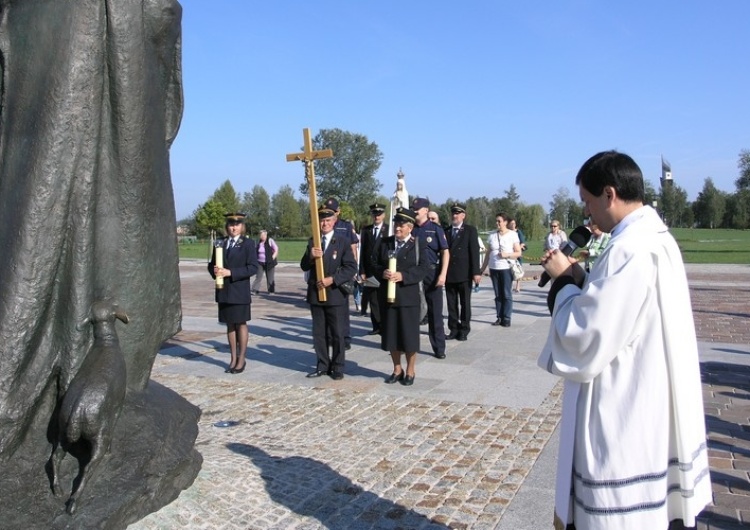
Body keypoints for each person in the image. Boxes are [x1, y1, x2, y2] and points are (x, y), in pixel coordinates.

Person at [538, 151, 711, 529]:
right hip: (651, 390)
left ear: (609, 194)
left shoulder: (628, 248)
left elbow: (585, 336)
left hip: (626, 407)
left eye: (587, 202)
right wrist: (583, 279)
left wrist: (564, 281)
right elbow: (620, 307)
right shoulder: (653, 236)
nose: (587, 215)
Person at [300, 203, 358, 380]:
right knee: (319, 333)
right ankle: (322, 365)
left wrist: (332, 279)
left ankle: (338, 366)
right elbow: (304, 265)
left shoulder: (342, 241)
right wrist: (310, 256)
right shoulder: (313, 241)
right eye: (322, 221)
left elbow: (351, 267)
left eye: (328, 220)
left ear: (334, 222)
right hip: (316, 293)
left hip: (334, 293)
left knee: (337, 332)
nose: (324, 224)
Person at [372, 208, 430, 385]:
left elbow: (423, 268)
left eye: (402, 225)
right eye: (396, 224)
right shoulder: (384, 242)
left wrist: (403, 276)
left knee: (409, 336)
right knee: (391, 335)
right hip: (388, 297)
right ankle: (397, 368)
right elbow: (373, 262)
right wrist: (382, 272)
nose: (397, 228)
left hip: (408, 297)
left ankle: (410, 370)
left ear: (410, 227)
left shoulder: (418, 244)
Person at [208, 213, 259, 374]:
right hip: (224, 291)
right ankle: (233, 358)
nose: (233, 227)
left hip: (239, 291)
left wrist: (231, 272)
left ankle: (241, 358)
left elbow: (252, 267)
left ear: (242, 227)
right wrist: (214, 270)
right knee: (230, 324)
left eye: (237, 225)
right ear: (227, 226)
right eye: (231, 225)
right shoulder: (220, 243)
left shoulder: (248, 244)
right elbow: (211, 265)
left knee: (240, 323)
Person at [411, 197, 450, 358]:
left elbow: (445, 252)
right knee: (412, 311)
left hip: (432, 274)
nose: (414, 212)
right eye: (413, 209)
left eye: (417, 209)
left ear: (426, 210)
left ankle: (439, 348)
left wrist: (443, 274)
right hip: (414, 274)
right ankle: (409, 346)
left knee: (435, 314)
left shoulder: (435, 229)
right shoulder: (411, 229)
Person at [325, 197, 359, 350]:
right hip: (327, 271)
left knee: (342, 308)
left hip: (342, 272)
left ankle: (345, 337)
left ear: (338, 212)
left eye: (332, 211)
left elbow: (353, 248)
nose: (329, 215)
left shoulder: (345, 227)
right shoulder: (322, 226)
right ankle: (330, 337)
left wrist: (353, 269)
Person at [444, 203, 482, 341]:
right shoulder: (446, 231)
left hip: (464, 273)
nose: (455, 216)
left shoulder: (470, 231)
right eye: (453, 213)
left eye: (458, 213)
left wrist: (476, 272)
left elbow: (474, 251)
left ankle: (464, 329)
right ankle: (453, 328)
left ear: (463, 216)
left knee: (465, 303)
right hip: (449, 273)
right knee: (451, 304)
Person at [480, 213, 521, 327]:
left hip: (506, 267)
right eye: (496, 221)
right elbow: (488, 253)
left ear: (505, 222)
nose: (497, 223)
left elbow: (518, 252)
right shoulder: (492, 235)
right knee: (498, 294)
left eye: (499, 221)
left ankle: (507, 317)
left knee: (506, 293)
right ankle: (499, 316)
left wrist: (507, 254)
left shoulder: (512, 235)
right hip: (494, 268)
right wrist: (483, 268)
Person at [359, 203, 389, 335]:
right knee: (372, 299)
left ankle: (384, 325)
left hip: (383, 270)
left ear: (384, 215)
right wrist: (362, 271)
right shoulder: (366, 230)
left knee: (383, 298)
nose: (377, 216)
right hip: (370, 270)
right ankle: (376, 325)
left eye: (379, 214)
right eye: (374, 214)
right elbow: (363, 251)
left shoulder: (389, 230)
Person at [251, 230, 279, 294]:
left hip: (269, 262)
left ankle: (271, 291)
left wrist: (272, 257)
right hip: (260, 262)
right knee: (258, 276)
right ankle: (255, 289)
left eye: (263, 235)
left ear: (266, 235)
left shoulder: (270, 241)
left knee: (270, 277)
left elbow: (276, 249)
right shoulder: (258, 241)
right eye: (261, 235)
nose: (262, 237)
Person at [508, 218, 527, 292]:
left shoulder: (518, 232)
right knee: (509, 270)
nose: (513, 225)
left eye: (514, 223)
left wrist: (518, 249)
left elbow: (522, 243)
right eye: (511, 223)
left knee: (518, 270)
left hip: (516, 253)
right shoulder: (508, 232)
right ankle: (510, 285)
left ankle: (518, 286)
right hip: (509, 253)